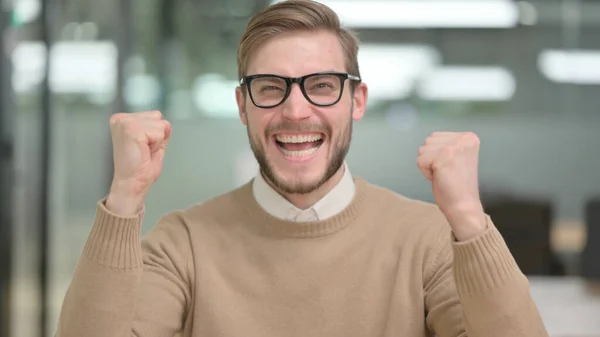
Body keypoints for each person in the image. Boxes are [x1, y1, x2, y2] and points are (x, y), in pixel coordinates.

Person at [55, 1, 549, 336]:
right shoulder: (182, 242)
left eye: (322, 85)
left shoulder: (430, 241)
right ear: (243, 105)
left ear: (356, 101)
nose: (295, 111)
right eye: (271, 86)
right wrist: (124, 198)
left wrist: (468, 220)